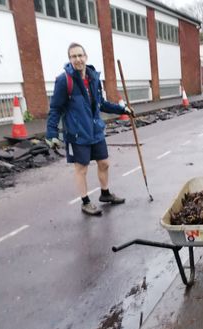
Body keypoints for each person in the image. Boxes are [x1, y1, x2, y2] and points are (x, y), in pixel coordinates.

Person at [47, 43, 133, 216]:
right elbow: (55, 109)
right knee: (82, 168)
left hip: (95, 131)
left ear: (86, 57)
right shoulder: (64, 81)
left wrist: (122, 110)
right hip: (77, 134)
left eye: (80, 55)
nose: (77, 59)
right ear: (69, 59)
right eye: (73, 56)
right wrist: (52, 133)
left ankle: (105, 194)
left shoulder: (94, 78)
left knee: (104, 163)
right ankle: (85, 202)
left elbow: (101, 104)